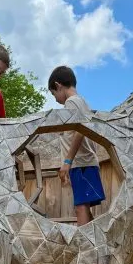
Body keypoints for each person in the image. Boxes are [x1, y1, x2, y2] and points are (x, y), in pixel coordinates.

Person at [48, 65, 106, 226]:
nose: (55, 99)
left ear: (58, 85)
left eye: (54, 94)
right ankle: (93, 243)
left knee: (80, 207)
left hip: (80, 163)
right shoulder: (83, 103)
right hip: (84, 163)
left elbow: (79, 131)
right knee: (85, 208)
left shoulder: (72, 103)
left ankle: (84, 246)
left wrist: (67, 162)